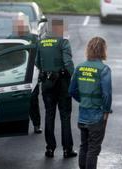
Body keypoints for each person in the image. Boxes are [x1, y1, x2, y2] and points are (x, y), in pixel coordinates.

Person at [69, 37, 112, 169]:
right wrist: (106, 111)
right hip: (97, 115)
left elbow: (72, 90)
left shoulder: (79, 67)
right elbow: (106, 94)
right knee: (93, 149)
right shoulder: (104, 69)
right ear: (103, 50)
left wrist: (83, 99)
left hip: (83, 114)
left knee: (84, 146)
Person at [36, 19, 77, 158]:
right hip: (62, 83)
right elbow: (68, 62)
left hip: (47, 82)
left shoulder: (41, 42)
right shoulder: (63, 41)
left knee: (49, 114)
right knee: (65, 116)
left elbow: (37, 63)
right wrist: (74, 78)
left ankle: (49, 149)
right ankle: (67, 149)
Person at [9, 17, 42, 134]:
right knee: (20, 100)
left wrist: (40, 71)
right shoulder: (11, 39)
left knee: (32, 100)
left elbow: (39, 55)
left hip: (30, 73)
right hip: (18, 73)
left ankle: (36, 124)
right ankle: (20, 124)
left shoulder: (33, 38)